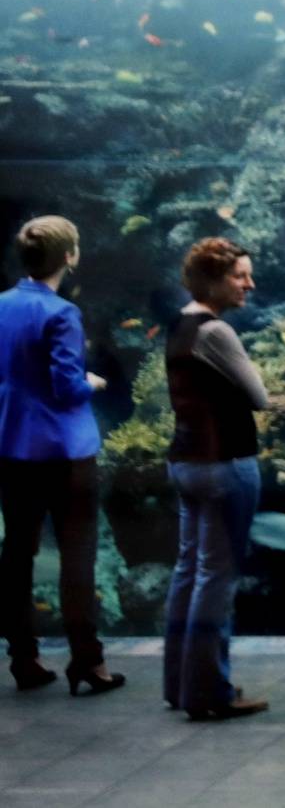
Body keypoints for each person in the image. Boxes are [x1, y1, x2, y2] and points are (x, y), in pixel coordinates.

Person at [0, 215, 118, 695]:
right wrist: (93, 382)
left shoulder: (2, 305)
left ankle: (23, 660)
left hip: (11, 445)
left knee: (17, 556)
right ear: (69, 256)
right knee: (77, 558)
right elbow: (67, 387)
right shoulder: (62, 314)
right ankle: (87, 662)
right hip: (66, 453)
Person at [162, 237, 269, 720]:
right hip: (224, 464)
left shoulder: (179, 324)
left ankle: (179, 684)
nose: (249, 283)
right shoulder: (215, 331)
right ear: (212, 279)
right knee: (216, 579)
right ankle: (210, 690)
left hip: (185, 461)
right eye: (239, 275)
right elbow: (258, 395)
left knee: (189, 571)